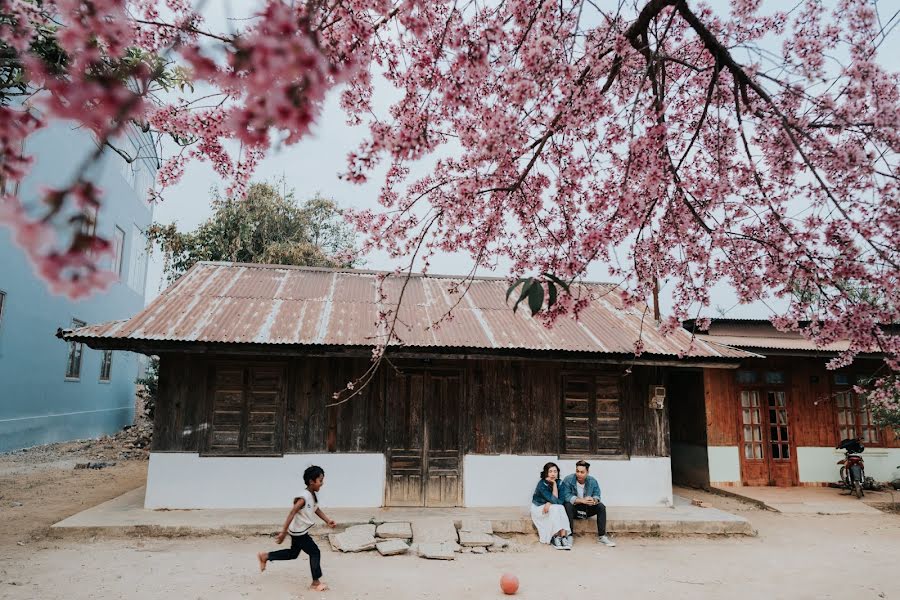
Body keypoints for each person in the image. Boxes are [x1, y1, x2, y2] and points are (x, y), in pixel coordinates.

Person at [257, 465, 337, 592]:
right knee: (315, 552)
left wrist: (327, 520)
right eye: (320, 480)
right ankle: (315, 582)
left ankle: (266, 556)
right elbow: (292, 512)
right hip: (299, 533)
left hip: (299, 530)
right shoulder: (303, 498)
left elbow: (316, 509)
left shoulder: (312, 494)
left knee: (293, 554)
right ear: (312, 481)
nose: (322, 483)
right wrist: (283, 532)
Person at [559, 460, 616, 547]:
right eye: (577, 471)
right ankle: (569, 536)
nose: (579, 474)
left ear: (587, 472)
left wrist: (593, 500)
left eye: (582, 472)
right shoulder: (568, 479)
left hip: (586, 509)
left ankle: (602, 536)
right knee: (567, 505)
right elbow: (565, 496)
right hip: (573, 510)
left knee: (601, 506)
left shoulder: (592, 481)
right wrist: (581, 500)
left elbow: (597, 495)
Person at [530, 461, 572, 550]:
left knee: (560, 507)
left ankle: (563, 537)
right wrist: (550, 502)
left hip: (551, 506)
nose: (553, 474)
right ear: (546, 473)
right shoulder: (542, 484)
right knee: (556, 508)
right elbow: (554, 500)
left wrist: (555, 485)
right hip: (539, 508)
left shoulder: (560, 483)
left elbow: (560, 501)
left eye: (555, 471)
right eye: (550, 471)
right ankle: (556, 537)